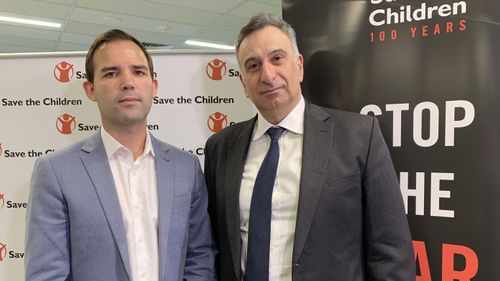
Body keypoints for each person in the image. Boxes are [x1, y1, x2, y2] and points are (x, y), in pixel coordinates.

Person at [204, 13, 414, 281]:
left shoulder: (359, 136)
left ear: (299, 66)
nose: (267, 75)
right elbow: (214, 247)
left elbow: (391, 251)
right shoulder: (220, 148)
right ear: (243, 83)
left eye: (277, 58)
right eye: (253, 66)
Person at [25, 29, 215, 281]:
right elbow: (46, 275)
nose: (128, 82)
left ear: (154, 86)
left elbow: (199, 258)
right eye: (111, 73)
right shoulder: (56, 172)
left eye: (138, 71)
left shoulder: (186, 168)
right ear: (90, 89)